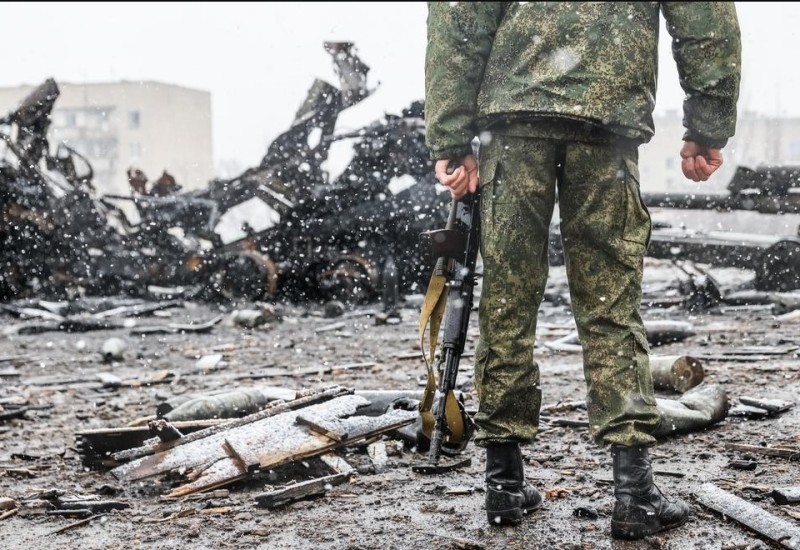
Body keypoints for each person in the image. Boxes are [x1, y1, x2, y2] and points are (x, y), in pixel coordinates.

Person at [424, 2, 740, 540]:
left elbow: (459, 14)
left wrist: (451, 136)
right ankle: (633, 492)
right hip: (607, 115)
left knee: (508, 300)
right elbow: (705, 17)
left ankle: (502, 482)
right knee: (611, 305)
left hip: (515, 118)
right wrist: (708, 122)